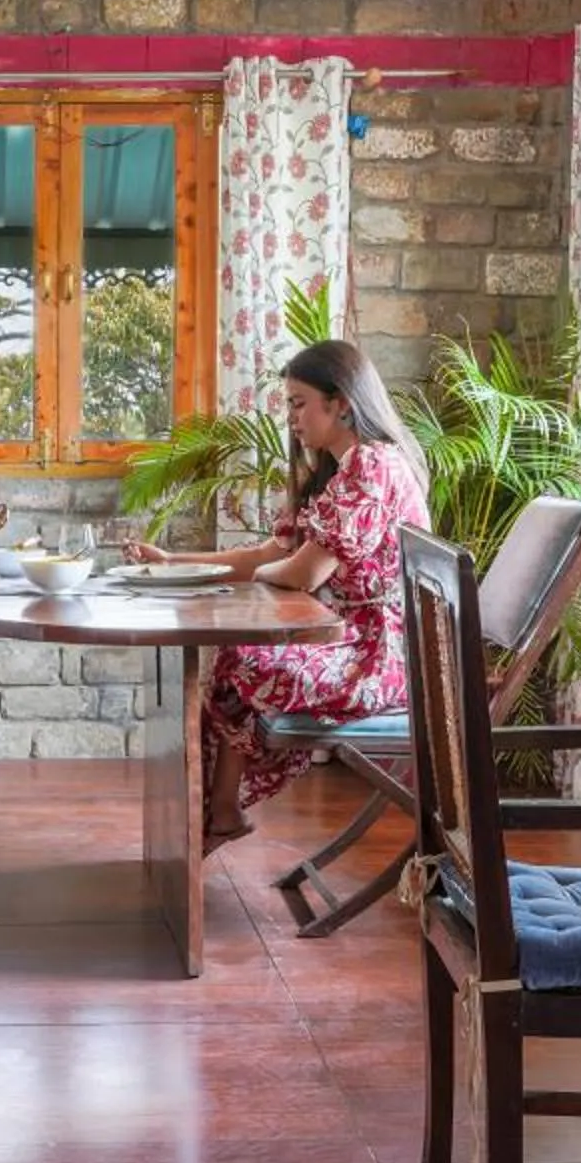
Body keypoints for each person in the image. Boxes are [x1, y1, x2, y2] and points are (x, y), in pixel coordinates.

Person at [124, 338, 431, 842]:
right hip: (350, 637)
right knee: (235, 660)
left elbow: (301, 574)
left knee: (242, 662)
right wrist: (175, 561)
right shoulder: (339, 468)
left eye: (298, 403)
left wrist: (261, 577)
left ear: (342, 403)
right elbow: (272, 555)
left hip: (380, 657)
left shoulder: (372, 465)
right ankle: (216, 816)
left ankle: (216, 816)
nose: (290, 416)